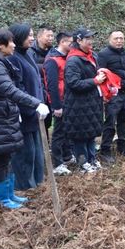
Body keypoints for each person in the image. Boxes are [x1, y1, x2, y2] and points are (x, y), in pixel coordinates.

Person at [0, 29, 49, 209]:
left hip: (4, 115)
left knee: (6, 157)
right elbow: (10, 90)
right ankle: (2, 199)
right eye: (11, 42)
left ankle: (10, 194)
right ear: (0, 45)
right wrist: (35, 103)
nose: (14, 44)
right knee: (0, 161)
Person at [6, 23, 45, 192]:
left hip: (35, 113)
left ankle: (37, 184)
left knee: (37, 153)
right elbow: (17, 88)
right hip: (24, 113)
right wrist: (31, 106)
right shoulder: (13, 58)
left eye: (32, 35)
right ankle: (24, 187)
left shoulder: (27, 54)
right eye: (28, 35)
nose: (32, 38)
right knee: (25, 154)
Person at [64, 28, 106, 173]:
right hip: (78, 104)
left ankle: (92, 159)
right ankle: (82, 163)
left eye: (91, 38)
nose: (91, 41)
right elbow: (73, 83)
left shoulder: (91, 56)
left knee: (91, 132)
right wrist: (95, 81)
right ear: (78, 41)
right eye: (87, 38)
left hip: (92, 102)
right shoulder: (73, 60)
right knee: (80, 135)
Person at [97, 29, 125, 163]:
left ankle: (121, 145)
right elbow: (100, 74)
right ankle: (105, 149)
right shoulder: (103, 54)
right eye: (116, 38)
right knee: (110, 121)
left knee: (123, 120)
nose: (119, 41)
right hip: (113, 94)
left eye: (121, 38)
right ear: (110, 40)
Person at [43, 30, 75, 176]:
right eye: (71, 43)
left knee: (67, 130)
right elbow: (52, 85)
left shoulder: (67, 57)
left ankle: (67, 156)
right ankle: (57, 163)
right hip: (59, 101)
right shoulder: (52, 60)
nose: (73, 45)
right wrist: (56, 105)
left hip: (68, 99)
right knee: (58, 133)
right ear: (63, 42)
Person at [31, 24, 54, 136]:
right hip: (38, 90)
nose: (50, 38)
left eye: (52, 36)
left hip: (50, 89)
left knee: (49, 119)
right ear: (39, 37)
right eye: (48, 36)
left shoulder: (53, 51)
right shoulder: (31, 52)